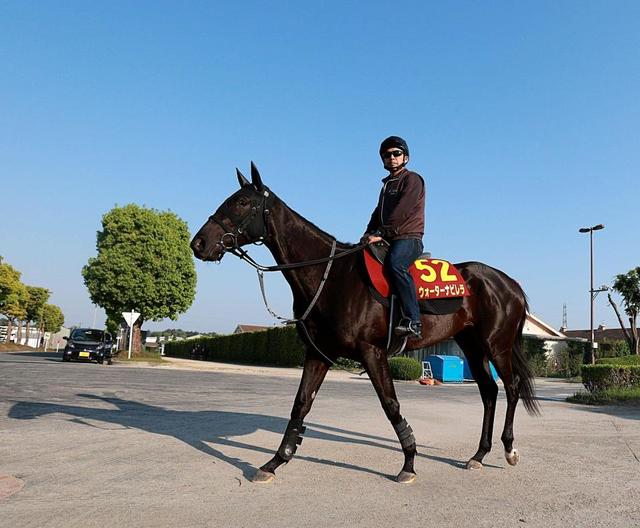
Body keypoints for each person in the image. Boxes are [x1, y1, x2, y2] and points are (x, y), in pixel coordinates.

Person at [362, 136, 425, 339]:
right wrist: (367, 233)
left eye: (396, 153)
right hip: (389, 237)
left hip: (408, 238)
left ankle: (413, 321)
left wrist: (380, 233)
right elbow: (377, 213)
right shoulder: (387, 185)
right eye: (387, 155)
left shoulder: (412, 179)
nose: (392, 157)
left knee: (395, 264)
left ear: (405, 157)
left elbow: (402, 211)